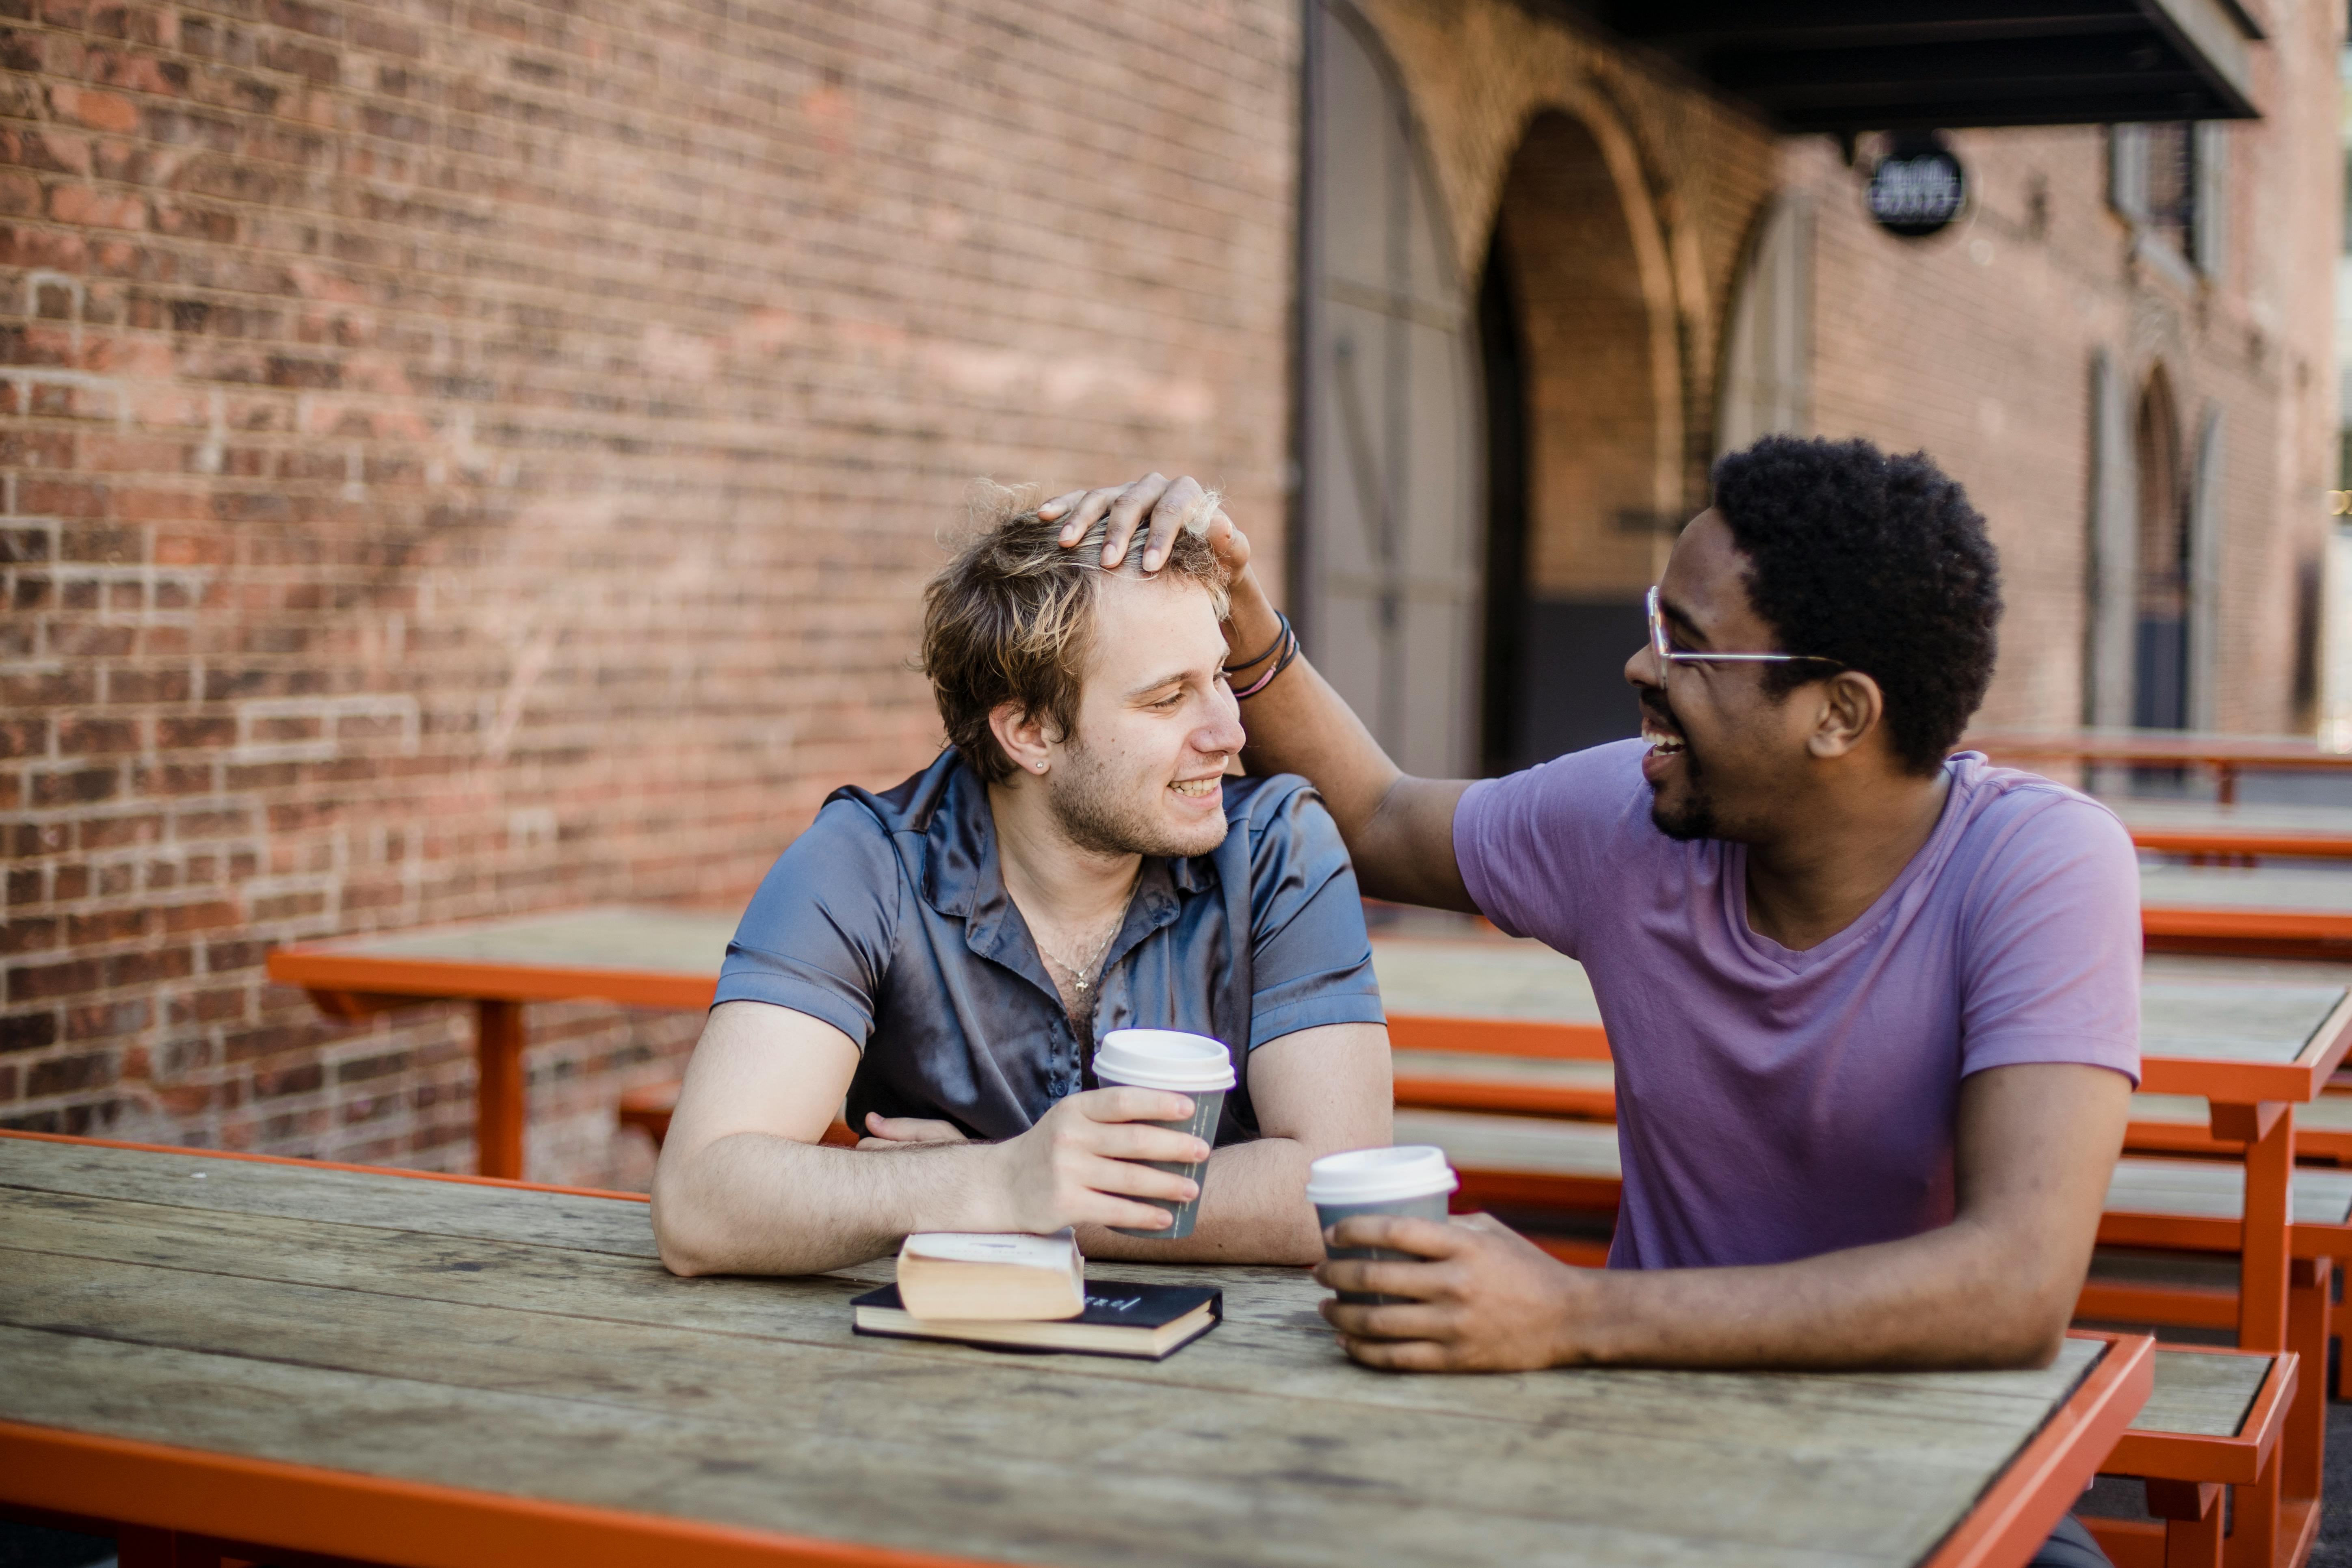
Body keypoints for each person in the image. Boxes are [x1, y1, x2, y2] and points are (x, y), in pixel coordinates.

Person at [1040, 439, 2138, 1378]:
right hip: (1643, 1411)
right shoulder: (1631, 815)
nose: (1639, 663)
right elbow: (1377, 816)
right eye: (1654, 618)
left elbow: (2016, 1284)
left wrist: (1571, 1313)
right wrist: (1238, 610)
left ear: (1841, 713)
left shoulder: (2039, 864)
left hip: (1945, 1439)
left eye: (1689, 642)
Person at [651, 486, 1393, 1276]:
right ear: (1030, 731)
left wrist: (1006, 1183)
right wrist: (1006, 1176)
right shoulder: (866, 859)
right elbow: (700, 1201)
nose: (1230, 731)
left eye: (1218, 676)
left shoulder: (1278, 842)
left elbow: (1335, 1191)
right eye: (1169, 697)